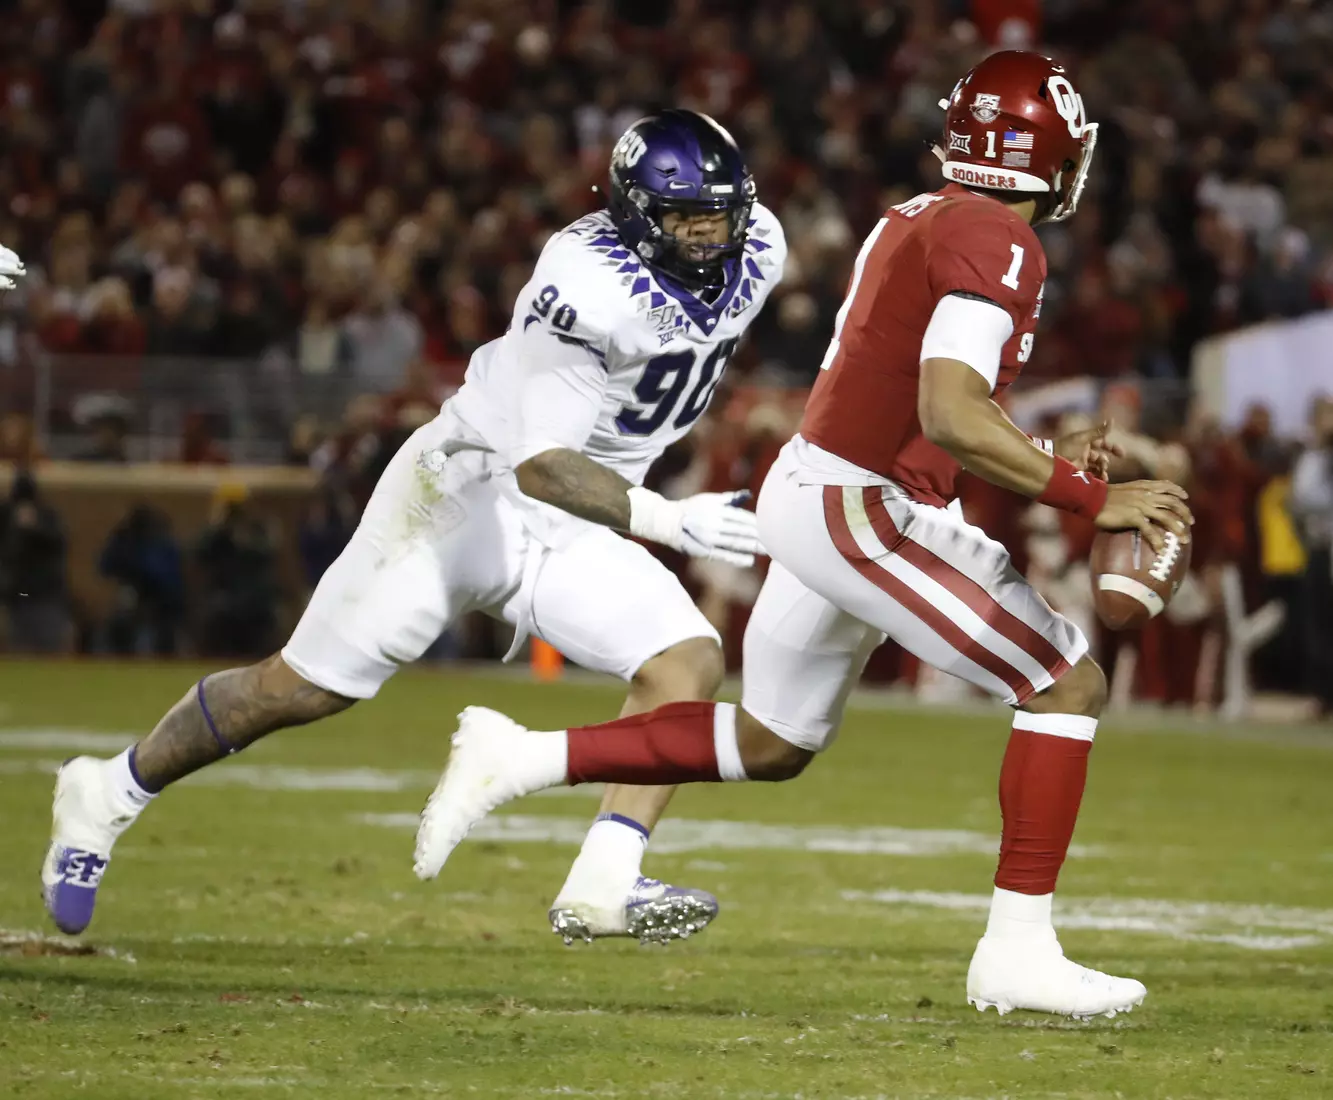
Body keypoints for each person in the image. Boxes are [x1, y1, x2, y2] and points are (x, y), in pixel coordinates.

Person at [414, 53, 1193, 1020]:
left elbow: (910, 403)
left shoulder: (919, 215)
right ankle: (1015, 953)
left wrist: (1039, 447)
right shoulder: (995, 238)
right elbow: (949, 412)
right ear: (1049, 153)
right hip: (858, 504)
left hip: (822, 487)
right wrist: (1085, 494)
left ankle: (520, 756)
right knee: (1062, 678)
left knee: (773, 739)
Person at [43, 110, 787, 945]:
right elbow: (542, 462)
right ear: (633, 212)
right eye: (686, 218)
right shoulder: (584, 284)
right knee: (299, 689)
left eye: (720, 214)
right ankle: (106, 792)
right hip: (470, 493)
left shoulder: (760, 246)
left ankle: (603, 883)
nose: (708, 236)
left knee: (684, 665)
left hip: (579, 521)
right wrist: (663, 518)